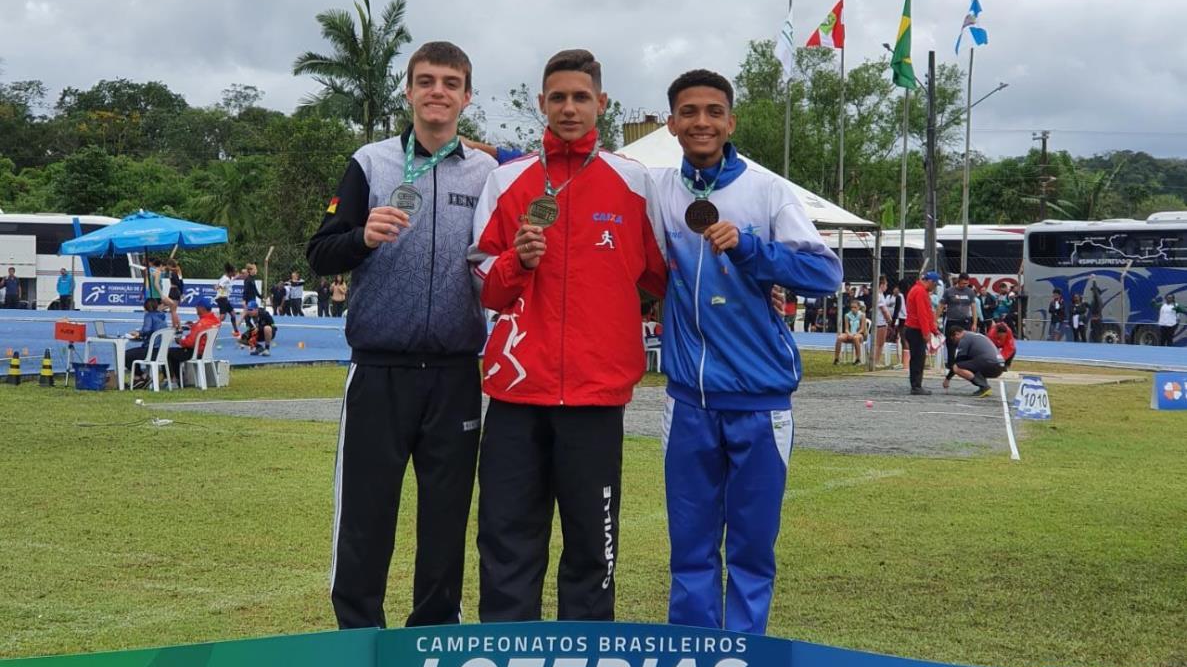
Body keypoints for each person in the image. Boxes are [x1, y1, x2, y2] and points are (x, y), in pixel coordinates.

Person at [469, 48, 667, 624]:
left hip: (596, 396)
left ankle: (585, 666)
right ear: (541, 105)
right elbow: (481, 276)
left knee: (591, 548)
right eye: (558, 97)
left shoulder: (634, 184)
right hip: (514, 396)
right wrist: (514, 263)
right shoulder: (508, 181)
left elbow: (665, 275)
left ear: (603, 104)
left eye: (581, 97)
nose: (570, 107)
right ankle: (505, 665)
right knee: (507, 541)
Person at [307, 40, 495, 630]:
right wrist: (362, 235)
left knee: (445, 518)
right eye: (426, 80)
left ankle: (434, 635)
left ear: (466, 96)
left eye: (450, 82)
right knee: (366, 515)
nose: (437, 91)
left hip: (455, 372)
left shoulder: (487, 171)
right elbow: (319, 253)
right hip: (379, 370)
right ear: (409, 91)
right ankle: (358, 638)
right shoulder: (371, 163)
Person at [650, 68, 841, 634]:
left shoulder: (767, 190)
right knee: (689, 550)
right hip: (688, 402)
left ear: (730, 122)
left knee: (752, 553)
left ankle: (744, 661)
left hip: (760, 404)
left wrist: (752, 248)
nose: (701, 121)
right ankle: (691, 658)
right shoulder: (658, 189)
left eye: (713, 111)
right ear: (672, 124)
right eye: (689, 112)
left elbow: (825, 273)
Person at [904, 272, 942, 396]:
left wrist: (933, 330)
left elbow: (928, 313)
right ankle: (916, 386)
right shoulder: (920, 292)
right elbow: (922, 314)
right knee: (918, 359)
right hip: (916, 329)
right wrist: (927, 332)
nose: (935, 288)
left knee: (918, 358)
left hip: (914, 328)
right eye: (935, 285)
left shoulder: (919, 290)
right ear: (931, 282)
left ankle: (916, 385)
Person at [166, 297, 221, 381]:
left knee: (168, 352)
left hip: (195, 352)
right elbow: (205, 327)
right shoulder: (216, 321)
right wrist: (193, 325)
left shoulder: (201, 324)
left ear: (202, 308)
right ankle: (177, 377)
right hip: (205, 352)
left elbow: (190, 342)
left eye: (197, 307)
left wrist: (180, 341)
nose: (196, 308)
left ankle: (176, 379)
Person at [943, 325, 1006, 397]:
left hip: (990, 364)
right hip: (999, 365)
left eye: (954, 339)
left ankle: (984, 387)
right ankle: (983, 386)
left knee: (957, 367)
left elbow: (958, 363)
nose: (955, 342)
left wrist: (947, 379)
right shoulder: (973, 335)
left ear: (957, 334)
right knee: (970, 365)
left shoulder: (964, 339)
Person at [125, 298, 170, 386]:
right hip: (161, 351)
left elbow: (146, 329)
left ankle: (141, 376)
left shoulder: (149, 316)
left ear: (145, 307)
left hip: (151, 351)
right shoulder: (162, 316)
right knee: (134, 353)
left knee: (126, 355)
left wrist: (138, 333)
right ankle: (141, 378)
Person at [941, 272, 978, 372]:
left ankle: (964, 363)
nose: (964, 286)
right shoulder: (949, 291)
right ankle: (951, 364)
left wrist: (974, 323)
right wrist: (936, 319)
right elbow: (941, 305)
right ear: (958, 281)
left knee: (966, 343)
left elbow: (974, 308)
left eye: (966, 284)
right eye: (962, 283)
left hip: (965, 321)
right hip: (952, 320)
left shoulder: (970, 292)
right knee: (951, 343)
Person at [834, 299, 867, 365]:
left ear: (858, 307)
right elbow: (846, 329)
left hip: (860, 334)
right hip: (850, 334)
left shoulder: (862, 315)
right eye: (852, 307)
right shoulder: (847, 315)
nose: (853, 309)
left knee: (855, 338)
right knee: (839, 338)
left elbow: (862, 329)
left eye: (855, 307)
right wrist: (849, 334)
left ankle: (858, 359)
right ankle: (836, 359)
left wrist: (855, 334)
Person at [214, 264, 241, 336]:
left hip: (225, 299)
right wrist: (217, 287)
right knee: (222, 317)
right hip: (221, 298)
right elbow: (220, 285)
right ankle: (212, 330)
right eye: (234, 271)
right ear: (230, 272)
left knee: (233, 314)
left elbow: (232, 279)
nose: (235, 272)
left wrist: (237, 276)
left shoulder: (227, 277)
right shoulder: (225, 279)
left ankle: (236, 331)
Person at [873, 274, 893, 365]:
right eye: (886, 284)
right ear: (882, 285)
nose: (886, 286)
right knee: (880, 343)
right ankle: (876, 361)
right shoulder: (880, 296)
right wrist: (889, 320)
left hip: (879, 321)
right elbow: (884, 310)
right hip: (881, 322)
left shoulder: (880, 295)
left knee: (879, 343)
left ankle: (876, 360)